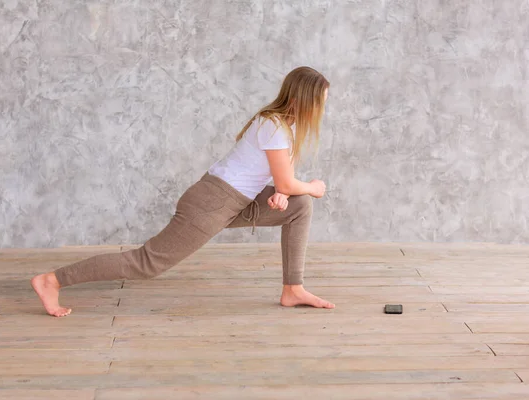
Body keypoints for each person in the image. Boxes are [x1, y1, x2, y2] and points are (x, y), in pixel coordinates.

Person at [31, 66, 335, 317]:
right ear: (302, 99)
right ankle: (53, 280)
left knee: (299, 206)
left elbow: (281, 178)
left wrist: (285, 193)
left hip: (238, 200)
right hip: (212, 201)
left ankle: (292, 289)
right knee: (146, 264)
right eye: (319, 101)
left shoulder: (287, 128)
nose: (321, 109)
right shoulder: (274, 125)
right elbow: (286, 181)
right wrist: (313, 187)